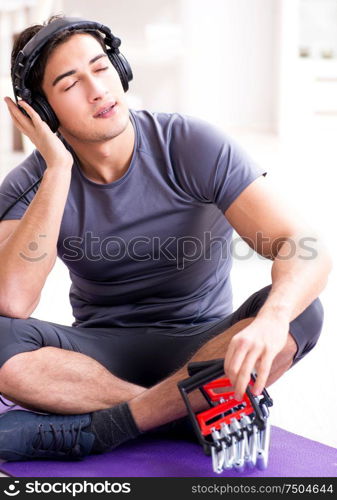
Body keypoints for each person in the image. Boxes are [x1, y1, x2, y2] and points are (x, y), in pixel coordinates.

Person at [0, 15, 331, 462]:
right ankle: (189, 413)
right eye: (69, 83)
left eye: (101, 68)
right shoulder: (29, 184)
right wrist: (57, 170)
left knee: (299, 309)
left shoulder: (190, 144)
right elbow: (13, 302)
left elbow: (300, 243)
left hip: (205, 345)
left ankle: (107, 427)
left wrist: (272, 320)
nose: (97, 89)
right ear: (41, 109)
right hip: (101, 354)